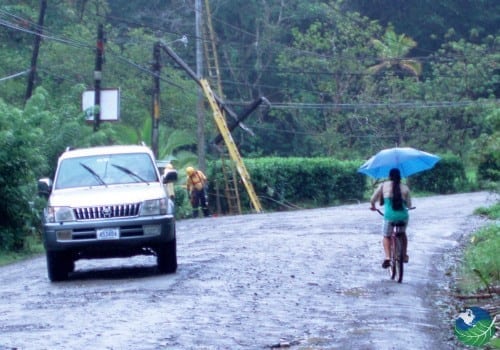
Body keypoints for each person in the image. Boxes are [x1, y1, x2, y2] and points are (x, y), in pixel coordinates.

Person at [370, 168, 412, 269]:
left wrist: (373, 206)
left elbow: (372, 199)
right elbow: (409, 205)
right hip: (403, 217)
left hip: (389, 217)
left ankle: (388, 257)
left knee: (386, 236)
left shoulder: (383, 185)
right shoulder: (405, 188)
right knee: (402, 234)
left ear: (389, 176)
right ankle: (404, 255)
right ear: (400, 176)